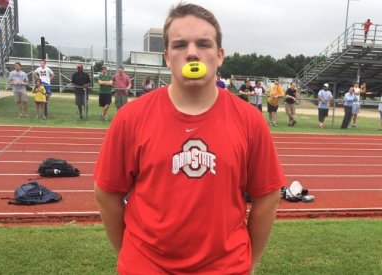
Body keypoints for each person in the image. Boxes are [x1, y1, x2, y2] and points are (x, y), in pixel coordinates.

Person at [94, 3, 284, 275]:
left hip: (227, 268)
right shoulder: (131, 117)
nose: (192, 53)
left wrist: (249, 262)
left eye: (203, 44)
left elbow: (268, 195)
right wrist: (131, 254)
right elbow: (107, 193)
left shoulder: (250, 120)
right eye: (180, 45)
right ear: (167, 57)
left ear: (219, 56)